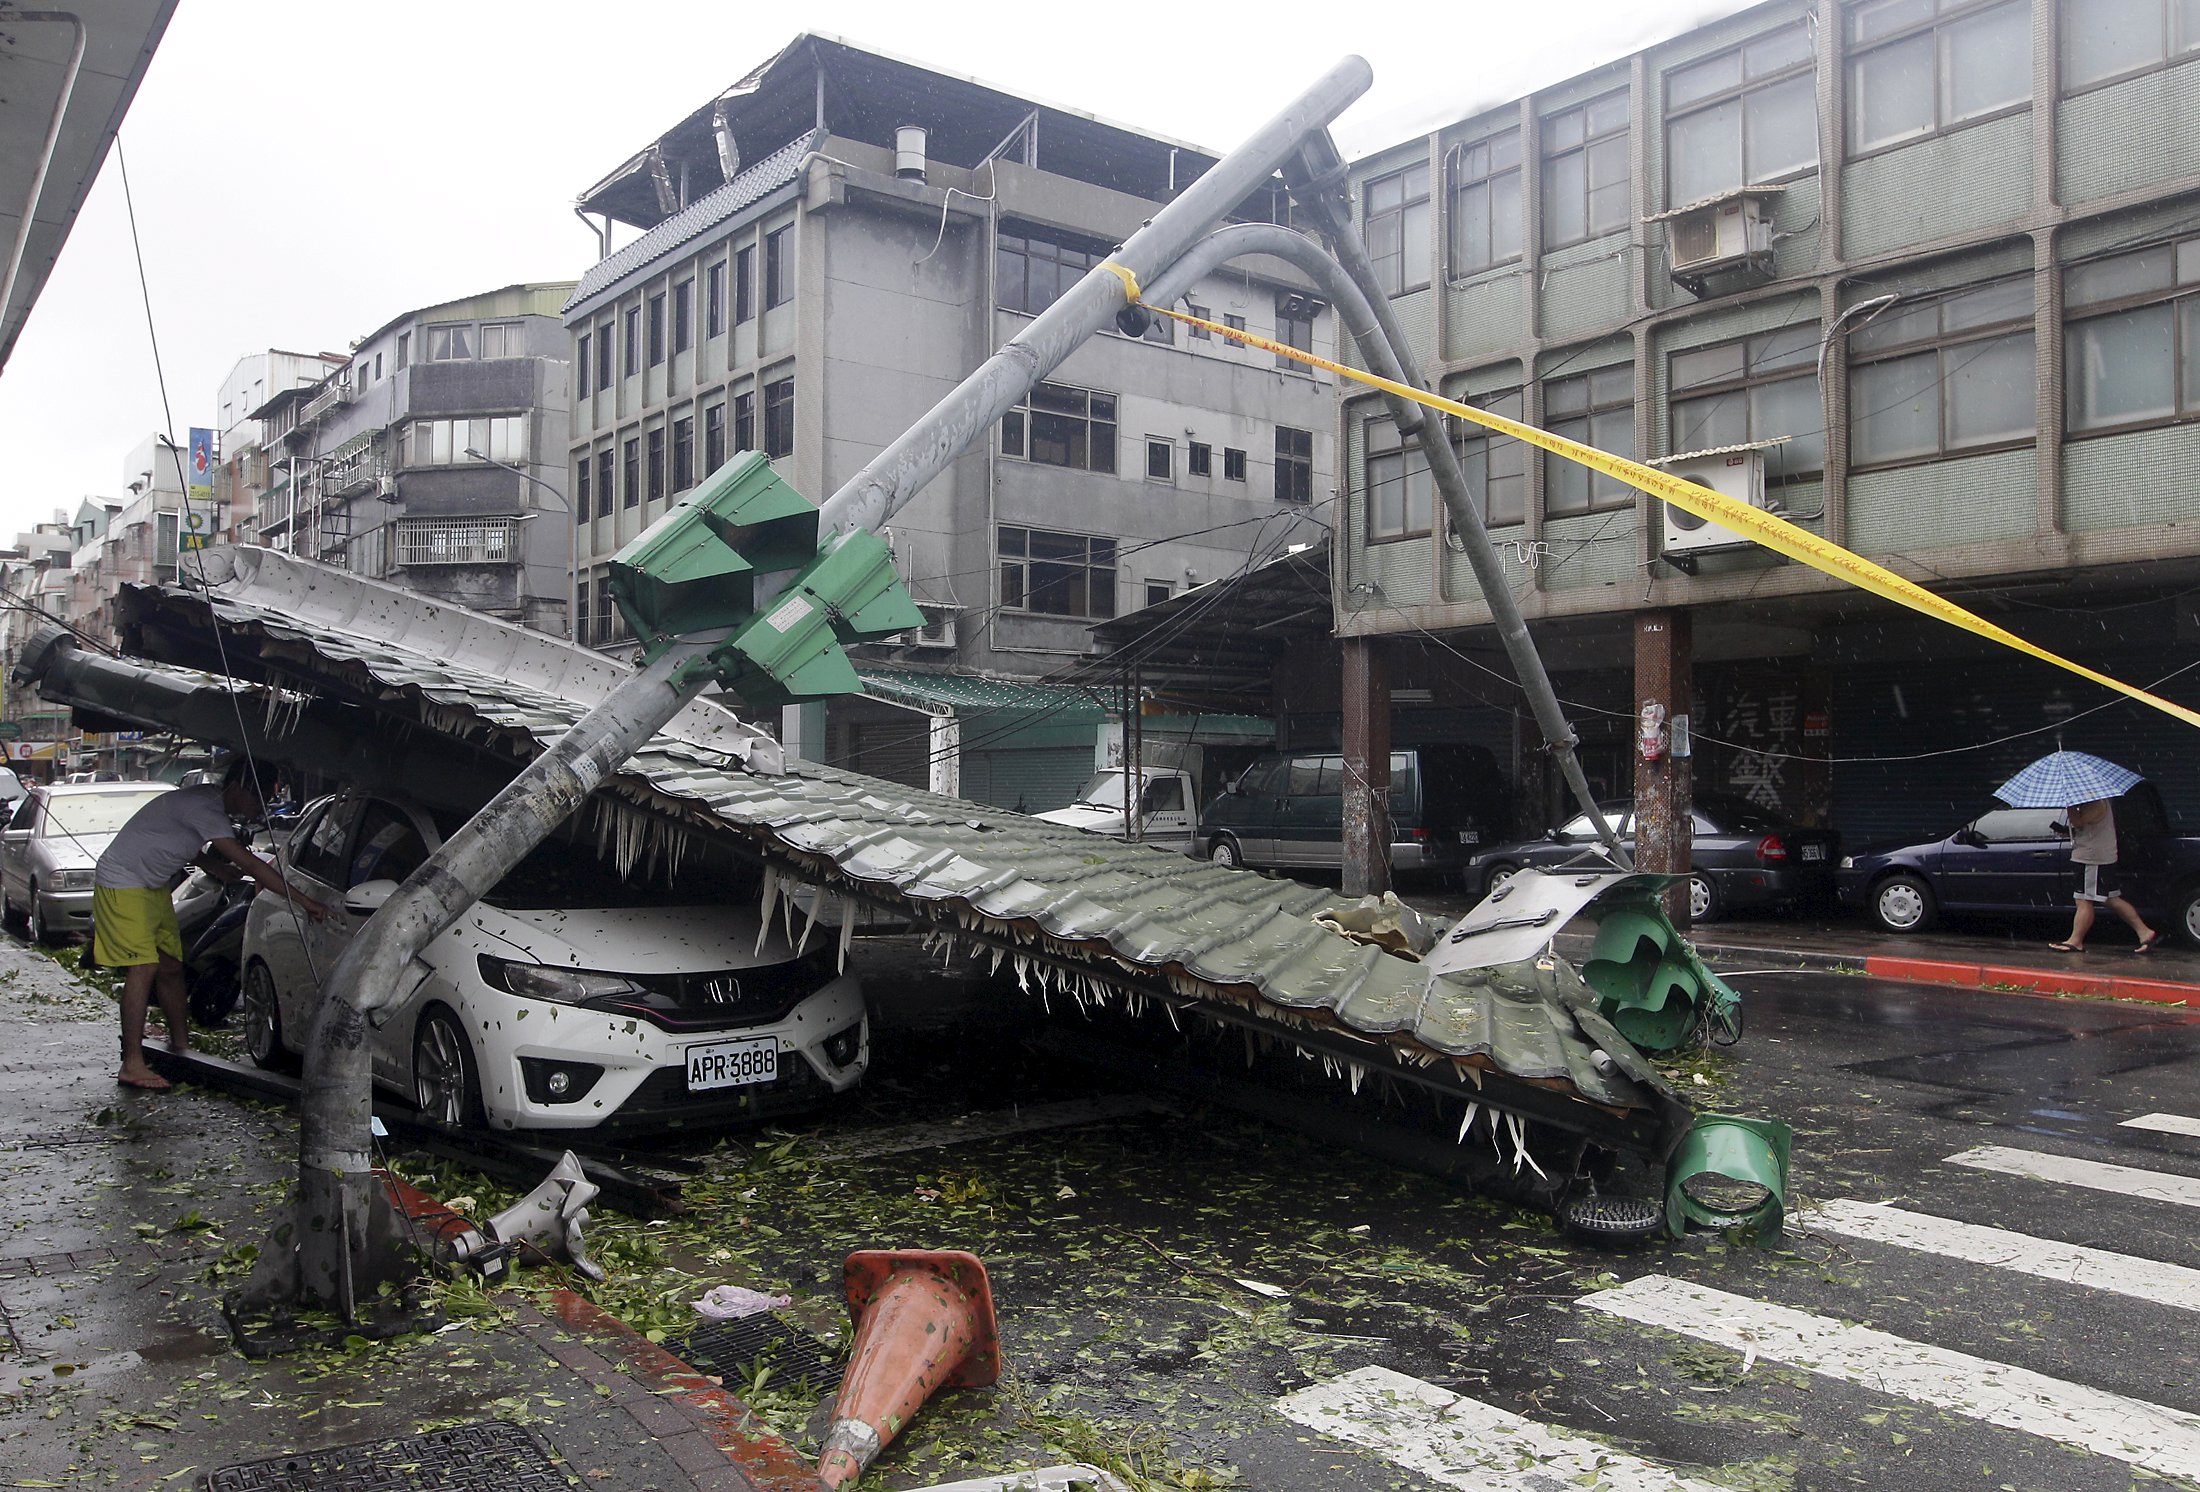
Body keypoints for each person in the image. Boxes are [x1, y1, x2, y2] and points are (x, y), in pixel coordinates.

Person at [94, 759, 330, 1090]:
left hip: (153, 884)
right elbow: (249, 862)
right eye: (257, 797)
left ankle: (181, 1047)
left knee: (171, 967)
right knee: (144, 967)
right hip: (123, 882)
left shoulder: (207, 802)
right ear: (237, 788)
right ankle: (132, 1063)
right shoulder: (205, 808)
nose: (258, 809)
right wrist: (306, 902)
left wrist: (213, 867)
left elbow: (178, 840)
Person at [2052, 797, 2163, 954]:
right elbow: (2084, 827)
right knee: (2111, 899)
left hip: (2092, 858)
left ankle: (2075, 941)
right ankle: (2144, 932)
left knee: (2083, 899)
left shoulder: (2096, 803)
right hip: (2098, 856)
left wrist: (2069, 804)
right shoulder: (2095, 802)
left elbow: (2078, 821)